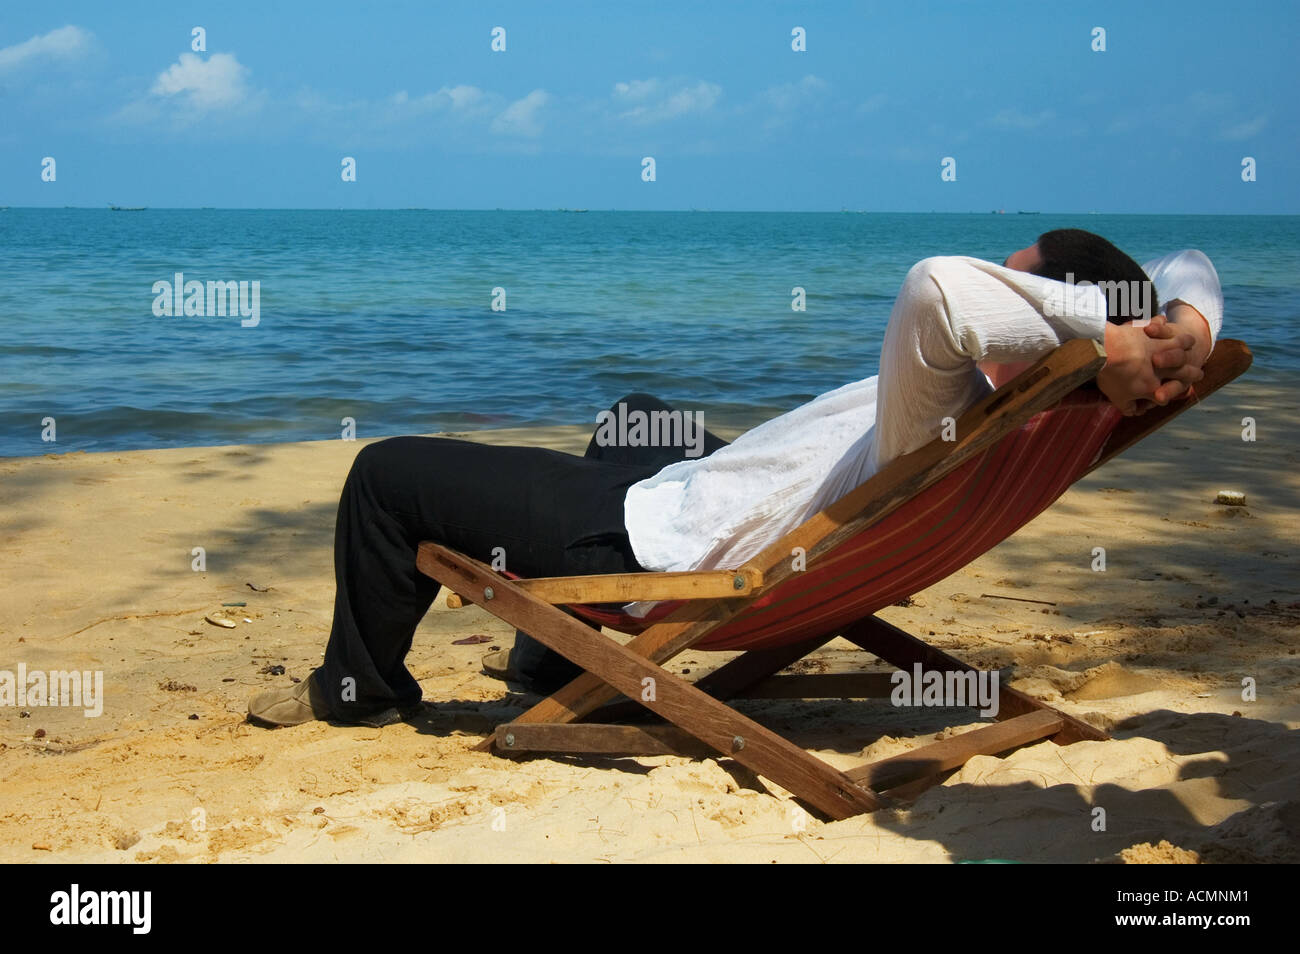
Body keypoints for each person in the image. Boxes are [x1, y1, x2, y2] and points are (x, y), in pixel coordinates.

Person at [247, 229, 1222, 727]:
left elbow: (937, 285)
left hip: (659, 545)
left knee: (383, 473)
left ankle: (357, 691)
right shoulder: (1041, 419)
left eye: (1029, 289)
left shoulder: (953, 400)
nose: (1015, 300)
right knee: (637, 413)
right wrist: (1183, 323)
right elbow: (1197, 265)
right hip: (729, 501)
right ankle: (552, 657)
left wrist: (1092, 326)